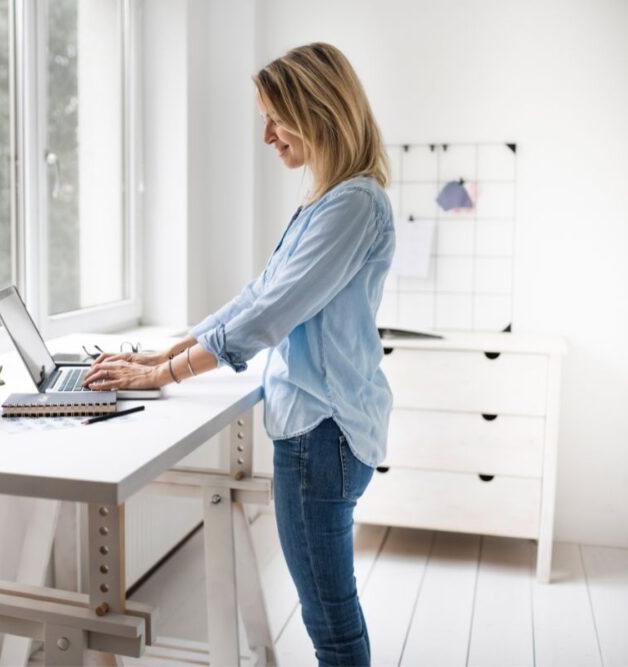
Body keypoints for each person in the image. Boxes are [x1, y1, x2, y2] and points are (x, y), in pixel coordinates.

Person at [83, 42, 394, 667]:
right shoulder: (327, 201)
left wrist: (168, 372)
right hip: (321, 429)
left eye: (275, 118)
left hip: (322, 433)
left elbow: (272, 315)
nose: (267, 137)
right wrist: (167, 354)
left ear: (318, 111)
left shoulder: (353, 203)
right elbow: (260, 294)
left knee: (329, 618)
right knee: (328, 607)